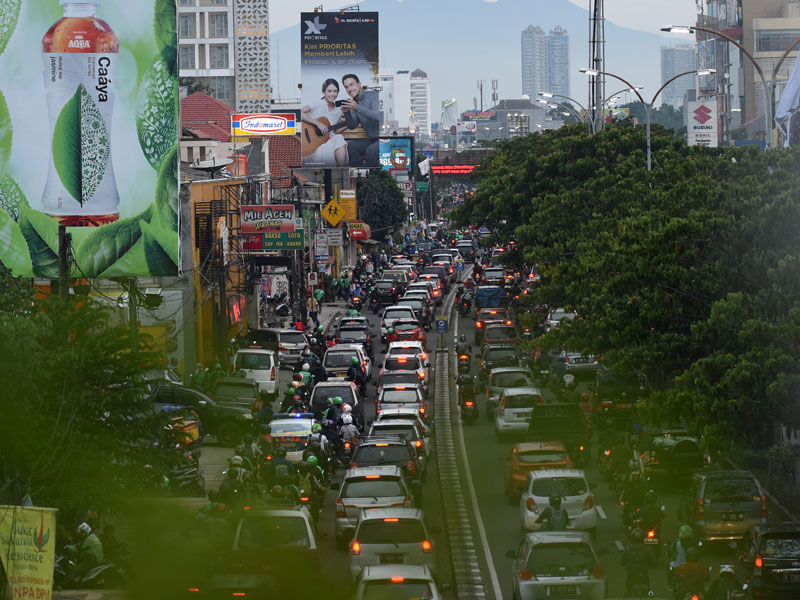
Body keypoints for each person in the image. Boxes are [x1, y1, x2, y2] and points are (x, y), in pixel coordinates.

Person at [301, 78, 349, 166]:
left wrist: (347, 124)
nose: (332, 94)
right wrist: (318, 124)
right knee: (339, 139)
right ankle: (341, 170)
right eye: (329, 91)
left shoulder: (339, 110)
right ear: (324, 92)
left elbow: (334, 132)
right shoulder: (317, 103)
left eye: (335, 91)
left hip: (327, 141)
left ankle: (341, 170)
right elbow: (299, 113)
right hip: (312, 145)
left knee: (339, 138)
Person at [341, 73, 380, 166]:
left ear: (359, 84)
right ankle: (359, 176)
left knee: (370, 151)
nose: (349, 89)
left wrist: (357, 107)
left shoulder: (373, 95)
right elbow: (352, 125)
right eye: (346, 87)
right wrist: (346, 112)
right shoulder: (354, 103)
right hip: (372, 139)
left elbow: (378, 116)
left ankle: (371, 178)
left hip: (385, 139)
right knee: (351, 147)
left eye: (351, 85)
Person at [62, 522, 104, 588]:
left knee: (74, 572)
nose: (80, 535)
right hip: (96, 559)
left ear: (84, 531)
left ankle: (60, 586)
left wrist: (66, 547)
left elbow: (77, 547)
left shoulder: (88, 538)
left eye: (81, 533)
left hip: (90, 560)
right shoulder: (93, 536)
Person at [621, 531, 652, 596]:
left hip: (632, 570)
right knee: (647, 581)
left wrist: (622, 562)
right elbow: (651, 560)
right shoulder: (646, 549)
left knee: (629, 583)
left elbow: (622, 560)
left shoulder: (628, 549)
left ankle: (628, 593)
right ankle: (649, 593)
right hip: (644, 570)